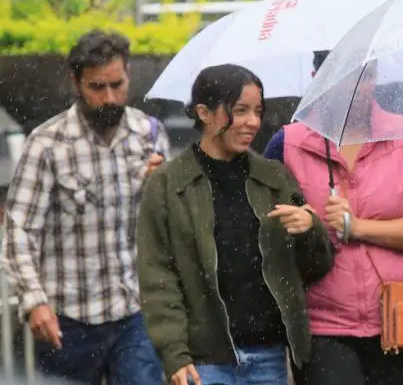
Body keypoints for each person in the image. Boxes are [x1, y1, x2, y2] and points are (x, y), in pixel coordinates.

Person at [137, 64, 334, 385]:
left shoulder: (275, 178)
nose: (253, 122)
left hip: (268, 354)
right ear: (204, 112)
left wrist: (311, 230)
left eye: (258, 111)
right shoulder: (167, 184)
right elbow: (158, 277)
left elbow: (316, 269)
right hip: (204, 361)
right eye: (240, 111)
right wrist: (174, 353)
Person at [1, 29, 169, 384]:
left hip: (133, 312)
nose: (109, 97)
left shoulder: (149, 134)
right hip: (69, 319)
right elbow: (19, 231)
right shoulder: (47, 144)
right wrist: (34, 301)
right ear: (76, 83)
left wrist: (162, 189)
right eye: (97, 87)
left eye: (117, 84)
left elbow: (166, 227)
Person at [263, 51, 403, 385]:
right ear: (319, 77)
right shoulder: (288, 144)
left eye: (367, 75)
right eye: (345, 75)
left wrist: (358, 227)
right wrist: (307, 226)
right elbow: (265, 223)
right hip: (321, 323)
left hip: (398, 315)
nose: (358, 87)